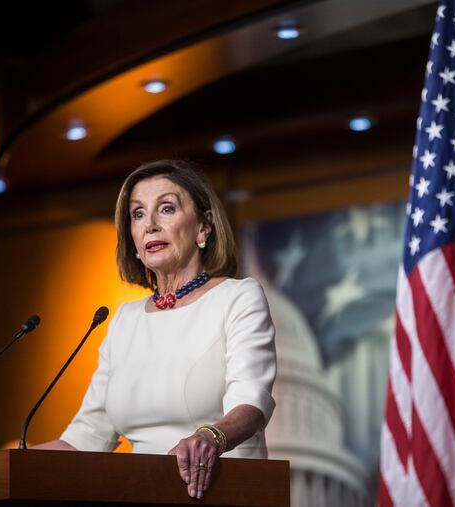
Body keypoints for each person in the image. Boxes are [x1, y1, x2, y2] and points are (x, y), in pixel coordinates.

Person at [34, 159, 277, 500]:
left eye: (166, 209)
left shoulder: (237, 297)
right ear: (132, 238)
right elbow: (86, 437)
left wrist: (209, 438)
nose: (150, 225)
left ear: (203, 227)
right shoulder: (123, 320)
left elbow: (250, 405)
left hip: (225, 490)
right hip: (144, 493)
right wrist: (10, 462)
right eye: (137, 214)